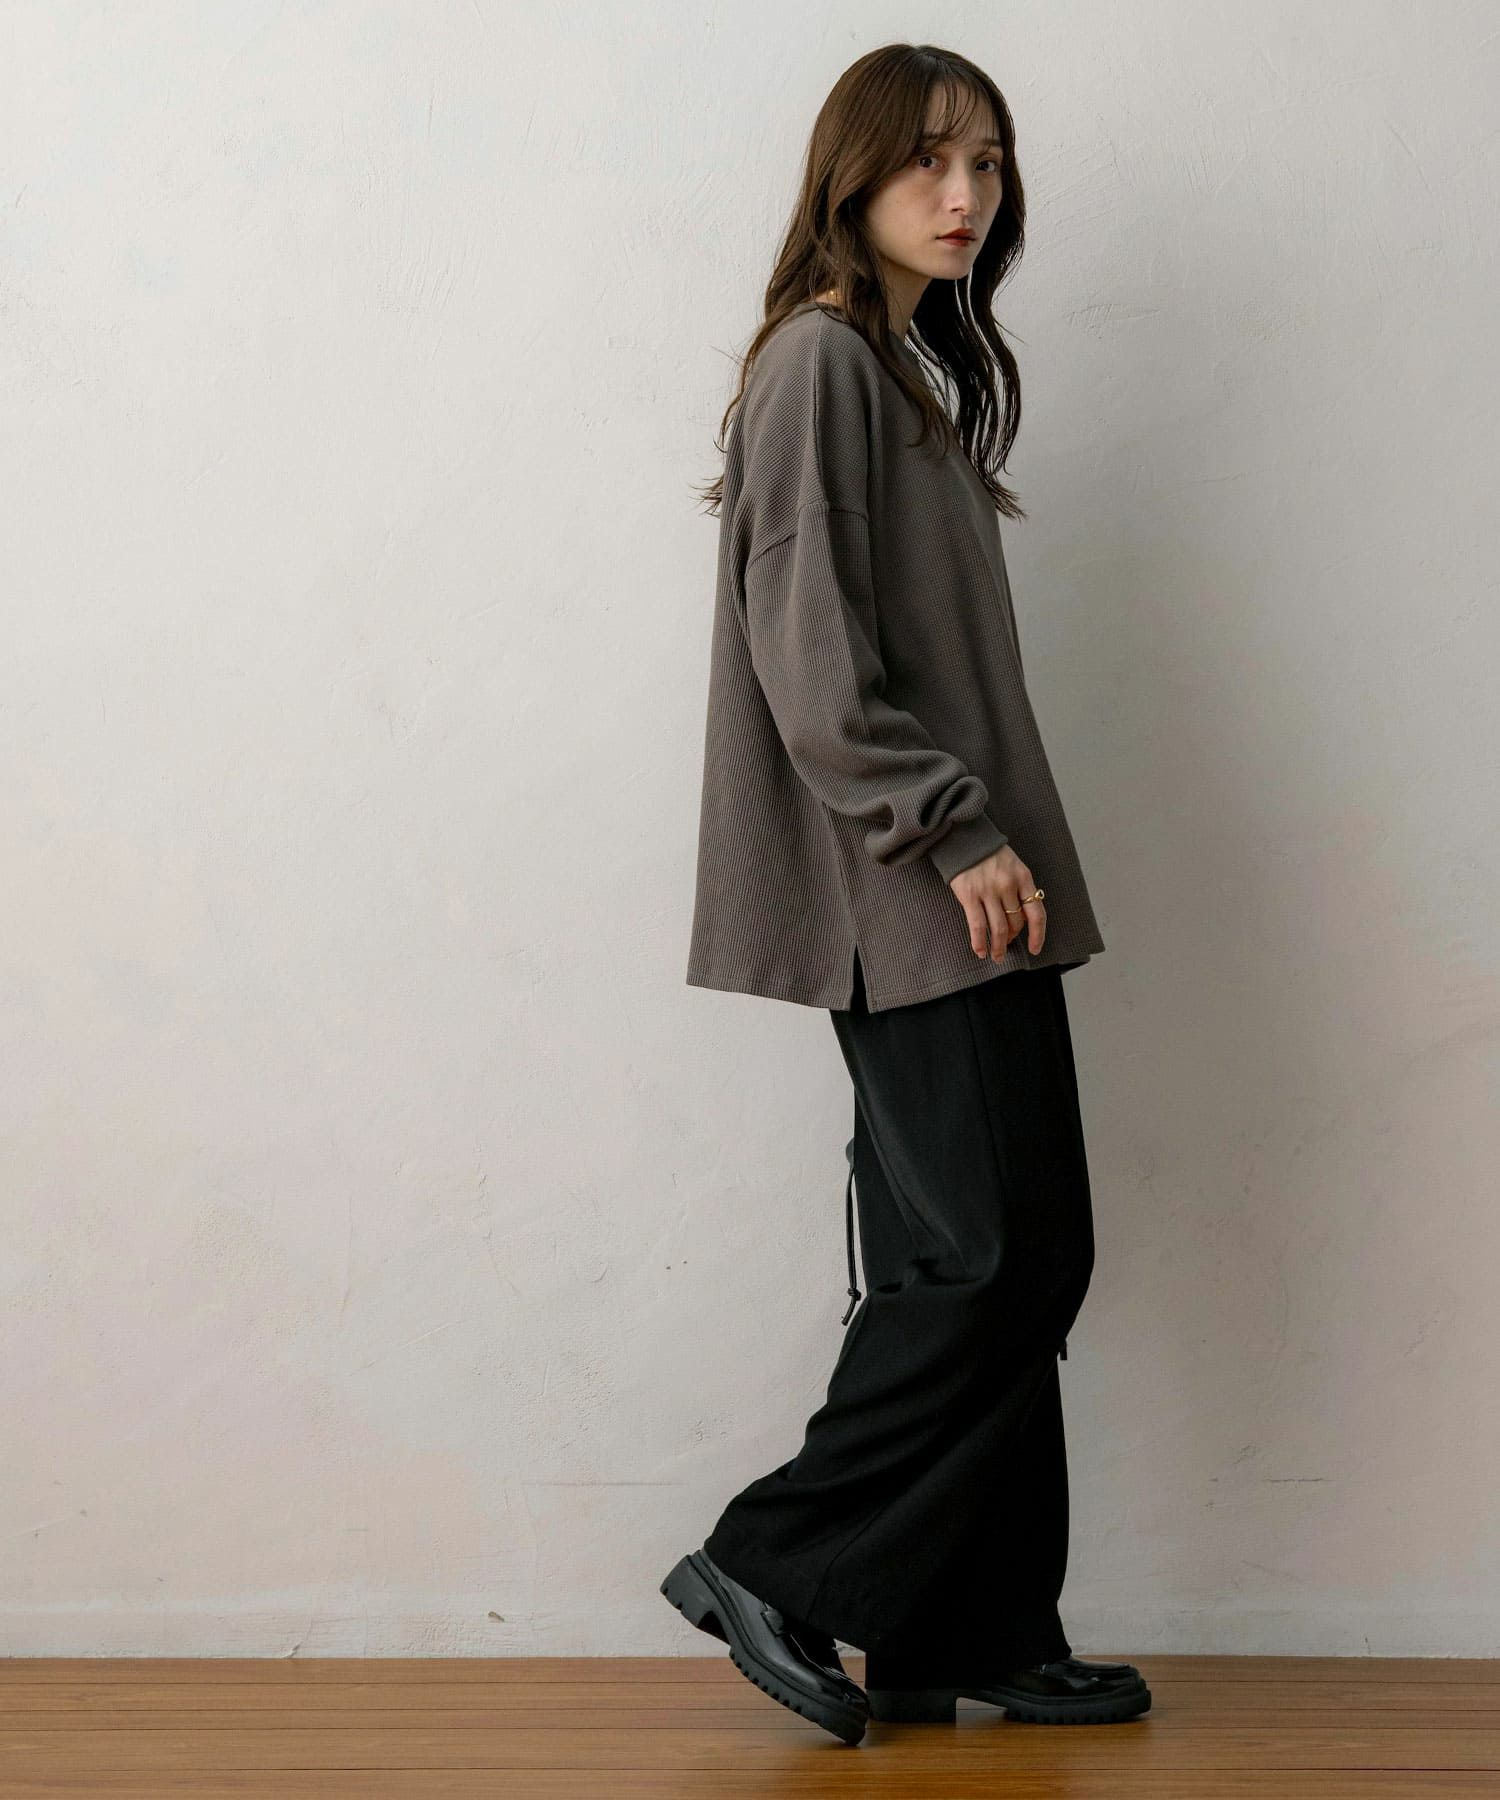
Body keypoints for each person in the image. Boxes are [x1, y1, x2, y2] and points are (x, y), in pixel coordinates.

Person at [660, 43, 1151, 1745]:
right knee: (994, 1259)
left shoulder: (895, 368)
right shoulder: (820, 361)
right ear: (852, 175)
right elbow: (810, 656)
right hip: (921, 886)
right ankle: (769, 1558)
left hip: (961, 879)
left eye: (989, 164)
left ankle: (971, 1620)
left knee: (1005, 1254)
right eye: (930, 161)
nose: (964, 195)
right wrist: (946, 830)